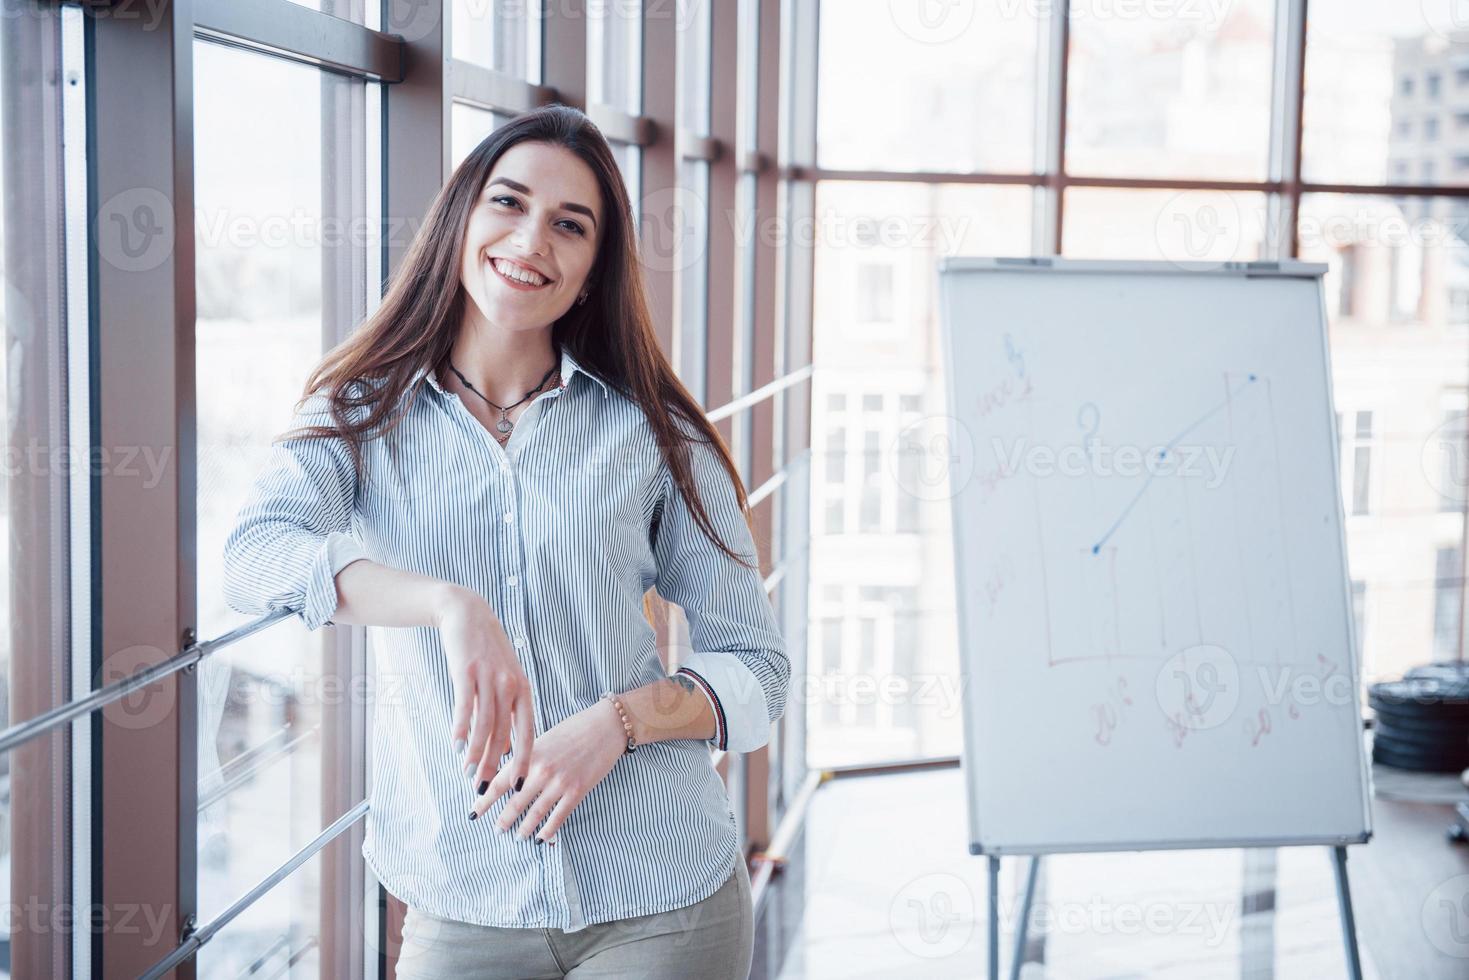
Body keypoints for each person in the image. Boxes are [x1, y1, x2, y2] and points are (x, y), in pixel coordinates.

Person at [221, 103, 790, 979]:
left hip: (663, 895)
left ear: (594, 270)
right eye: (508, 203)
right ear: (461, 220)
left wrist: (617, 724)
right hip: (462, 897)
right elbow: (254, 554)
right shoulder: (360, 414)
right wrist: (446, 603)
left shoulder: (651, 434)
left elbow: (758, 666)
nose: (531, 240)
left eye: (569, 225)